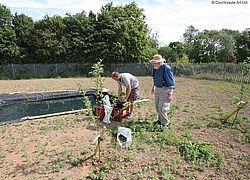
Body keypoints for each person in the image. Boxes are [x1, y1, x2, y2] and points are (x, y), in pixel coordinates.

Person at [150, 54, 175, 127]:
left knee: (162, 107)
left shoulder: (166, 68)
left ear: (159, 62)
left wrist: (170, 94)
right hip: (157, 89)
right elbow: (155, 79)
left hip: (165, 90)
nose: (153, 64)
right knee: (157, 106)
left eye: (154, 62)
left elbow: (171, 82)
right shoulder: (155, 68)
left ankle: (165, 124)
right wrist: (153, 88)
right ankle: (159, 120)